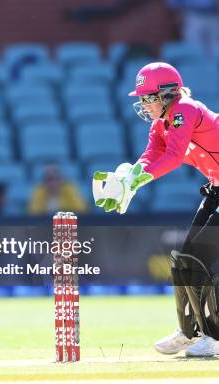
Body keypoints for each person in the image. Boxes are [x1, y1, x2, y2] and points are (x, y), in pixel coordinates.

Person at [92, 62, 219, 357]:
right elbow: (150, 156)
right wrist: (128, 181)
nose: (143, 104)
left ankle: (212, 337)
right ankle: (190, 332)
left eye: (148, 97)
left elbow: (173, 157)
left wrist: (137, 181)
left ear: (167, 94)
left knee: (199, 257)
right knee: (185, 258)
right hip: (215, 188)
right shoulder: (161, 122)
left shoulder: (185, 109)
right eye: (142, 98)